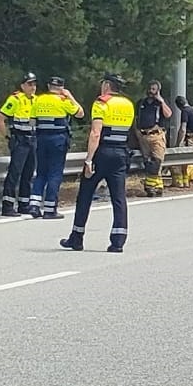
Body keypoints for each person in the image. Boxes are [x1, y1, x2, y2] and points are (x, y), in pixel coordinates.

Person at [61, 75, 135, 253]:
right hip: (120, 153)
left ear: (107, 85)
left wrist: (88, 160)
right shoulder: (128, 104)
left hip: (103, 153)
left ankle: (77, 237)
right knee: (118, 198)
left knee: (85, 194)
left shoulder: (101, 103)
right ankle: (118, 241)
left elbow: (95, 133)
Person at [29, 76, 82, 219]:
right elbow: (80, 113)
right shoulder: (63, 100)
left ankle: (34, 205)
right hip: (58, 139)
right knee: (54, 173)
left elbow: (32, 121)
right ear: (61, 88)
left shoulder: (38, 100)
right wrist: (70, 96)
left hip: (41, 139)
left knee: (41, 172)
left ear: (48, 86)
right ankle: (50, 209)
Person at [0, 72, 39, 217]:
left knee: (28, 173)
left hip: (32, 139)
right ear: (22, 86)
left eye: (34, 84)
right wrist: (8, 136)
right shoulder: (15, 100)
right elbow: (0, 120)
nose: (33, 87)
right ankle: (7, 206)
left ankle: (23, 204)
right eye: (29, 84)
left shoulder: (36, 100)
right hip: (19, 140)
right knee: (15, 173)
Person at [135, 81, 172, 197]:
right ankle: (158, 186)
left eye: (154, 89)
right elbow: (136, 119)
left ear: (158, 91)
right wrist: (137, 134)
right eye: (150, 89)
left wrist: (161, 101)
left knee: (157, 161)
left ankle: (150, 186)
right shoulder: (141, 103)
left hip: (156, 135)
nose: (151, 91)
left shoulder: (160, 103)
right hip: (143, 136)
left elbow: (168, 114)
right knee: (147, 162)